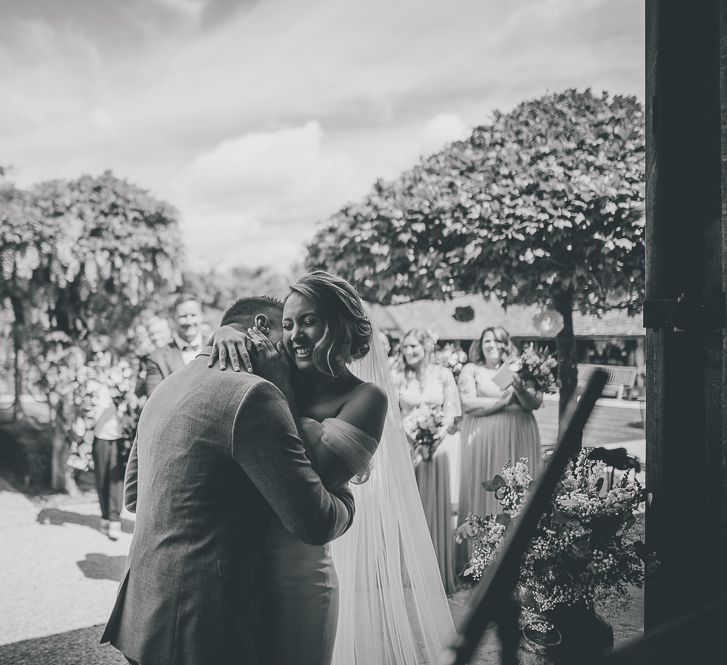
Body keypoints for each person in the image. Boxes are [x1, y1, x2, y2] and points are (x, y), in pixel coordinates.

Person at [210, 271, 455, 665]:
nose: (294, 335)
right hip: (236, 569)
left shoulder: (365, 398)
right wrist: (224, 334)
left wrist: (280, 390)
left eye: (309, 321)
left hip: (297, 576)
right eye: (288, 324)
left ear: (339, 327)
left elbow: (306, 480)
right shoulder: (278, 368)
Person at [100, 296, 356, 665]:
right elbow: (313, 523)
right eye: (285, 331)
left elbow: (136, 497)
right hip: (197, 622)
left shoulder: (166, 387)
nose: (290, 345)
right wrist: (344, 494)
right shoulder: (254, 394)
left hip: (141, 608)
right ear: (261, 328)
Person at [455, 326, 543, 571]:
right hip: (485, 441)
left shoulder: (521, 369)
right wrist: (504, 401)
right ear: (479, 344)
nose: (491, 344)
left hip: (519, 435)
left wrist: (519, 387)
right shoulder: (472, 370)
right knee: (487, 489)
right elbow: (469, 404)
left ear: (506, 344)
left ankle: (522, 559)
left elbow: (532, 404)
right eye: (486, 340)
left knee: (519, 490)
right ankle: (482, 560)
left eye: (496, 340)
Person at [391, 328, 461, 594]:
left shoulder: (442, 375)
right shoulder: (396, 375)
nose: (408, 352)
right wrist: (413, 439)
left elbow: (452, 412)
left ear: (426, 348)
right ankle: (405, 571)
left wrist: (434, 440)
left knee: (432, 506)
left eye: (414, 347)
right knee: (408, 507)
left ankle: (434, 571)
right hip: (406, 448)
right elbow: (389, 413)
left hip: (436, 450)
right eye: (405, 347)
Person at [85, 336, 126, 541]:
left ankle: (115, 519)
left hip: (119, 434)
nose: (99, 356)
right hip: (98, 434)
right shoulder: (88, 378)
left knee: (116, 476)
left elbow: (123, 394)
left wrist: (106, 377)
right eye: (95, 353)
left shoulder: (121, 372)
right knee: (101, 476)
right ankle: (104, 515)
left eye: (103, 352)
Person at [139, 293, 204, 396]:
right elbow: (155, 399)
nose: (189, 321)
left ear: (201, 316)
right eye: (183, 316)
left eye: (193, 315)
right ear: (173, 318)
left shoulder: (217, 347)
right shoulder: (156, 358)